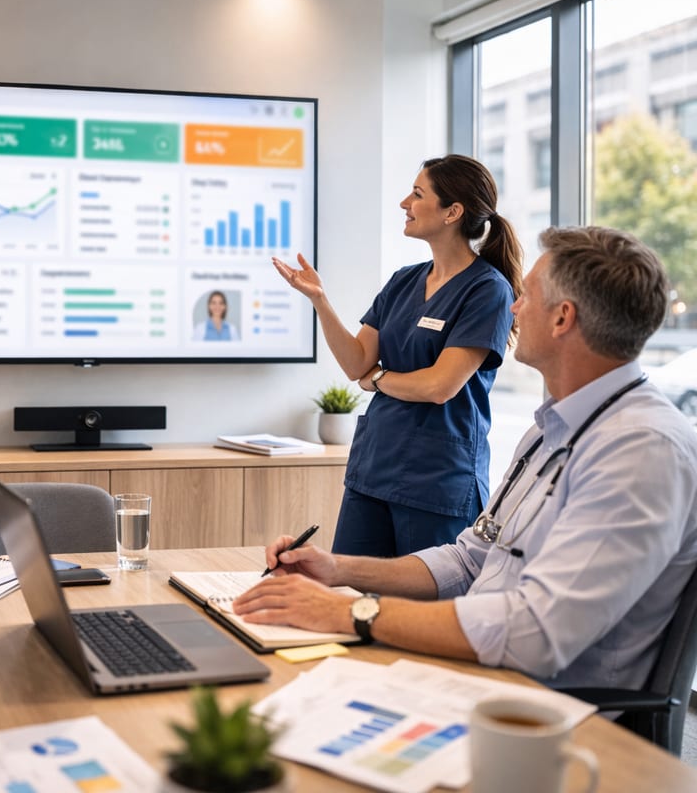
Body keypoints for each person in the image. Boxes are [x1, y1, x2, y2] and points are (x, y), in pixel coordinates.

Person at [237, 225, 697, 691]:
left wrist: (350, 610)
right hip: (478, 679)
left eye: (527, 296)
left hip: (543, 715)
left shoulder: (642, 450)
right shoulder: (550, 430)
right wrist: (338, 571)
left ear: (562, 319)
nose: (513, 307)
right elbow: (470, 561)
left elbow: (535, 633)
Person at [273, 155, 521, 557]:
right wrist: (320, 301)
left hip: (437, 481)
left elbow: (440, 386)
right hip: (374, 470)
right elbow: (356, 363)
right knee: (350, 599)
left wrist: (379, 380)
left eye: (418, 194)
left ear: (452, 212)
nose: (404, 203)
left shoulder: (487, 290)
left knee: (423, 611)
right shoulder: (405, 279)